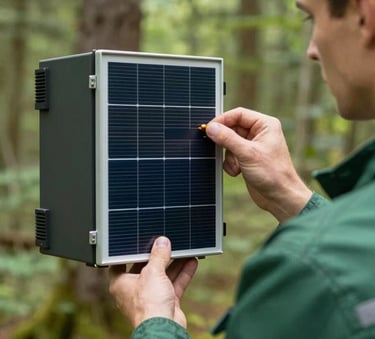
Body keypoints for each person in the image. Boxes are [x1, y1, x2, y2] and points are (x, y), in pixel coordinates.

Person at [109, 0, 375, 337]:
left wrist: (155, 322)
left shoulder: (309, 271)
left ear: (366, 16)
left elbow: (342, 267)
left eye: (312, 18)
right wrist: (290, 197)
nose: (311, 50)